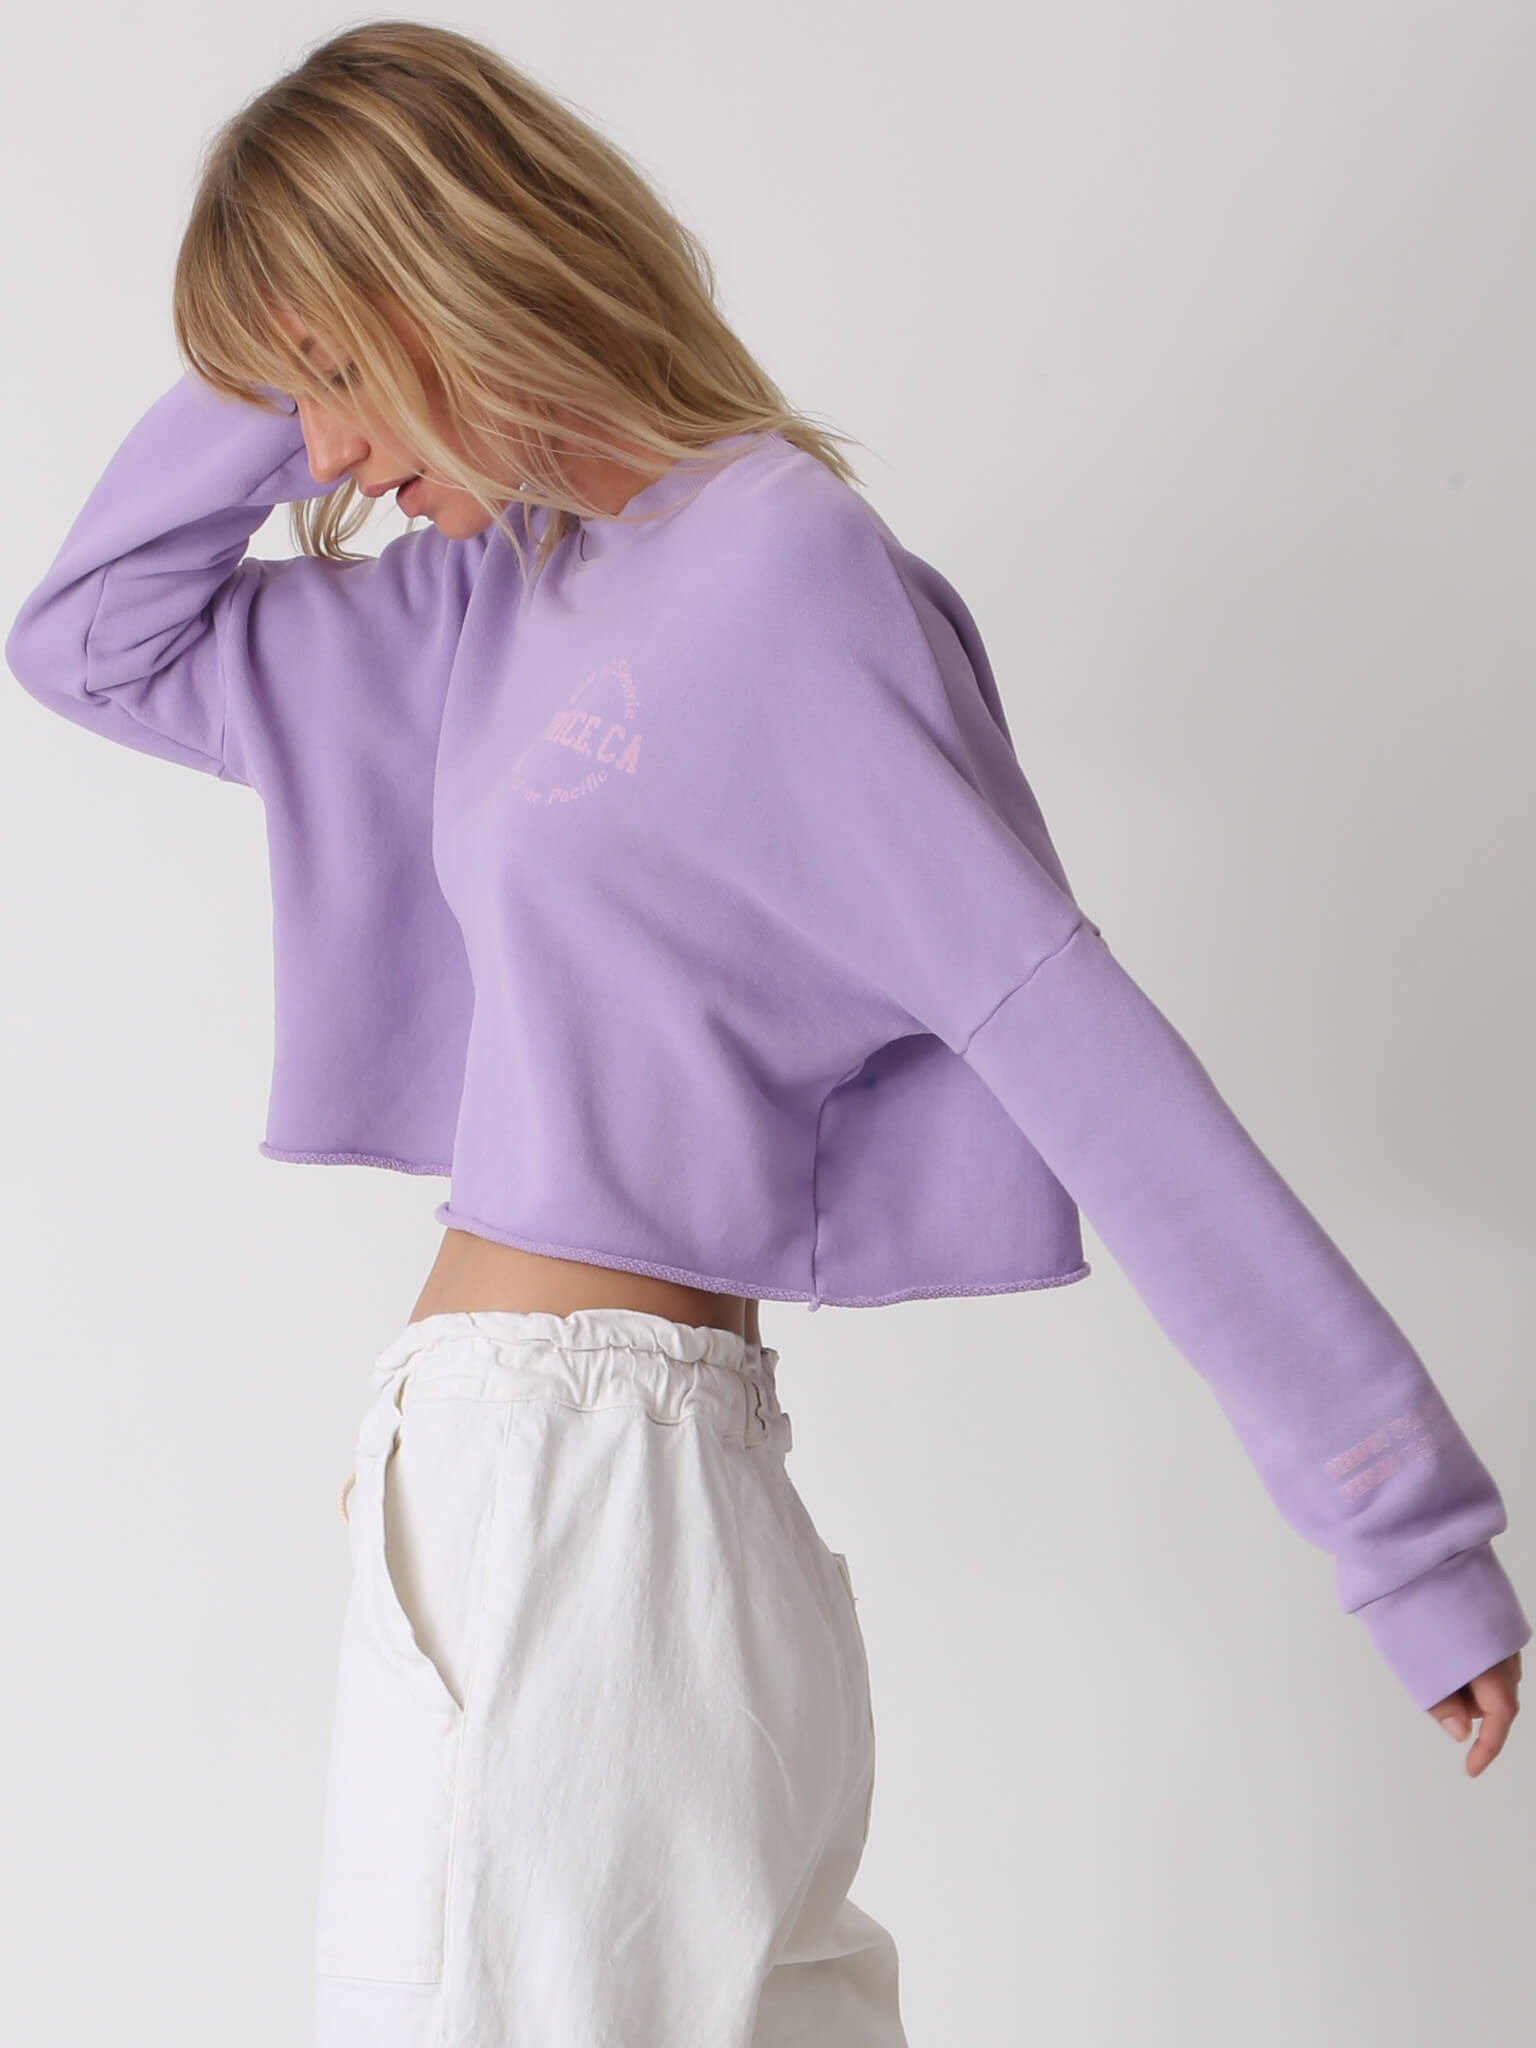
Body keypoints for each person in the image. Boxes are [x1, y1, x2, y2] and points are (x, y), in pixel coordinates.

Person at [6, 18, 1526, 2045]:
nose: (333, 460)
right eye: (299, 400)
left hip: (575, 1511)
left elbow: (1081, 1050)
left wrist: (1400, 1529)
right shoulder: (497, 597)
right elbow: (95, 639)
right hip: (613, 1504)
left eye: (341, 373)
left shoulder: (779, 576)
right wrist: (296, 354)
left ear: (452, 269)